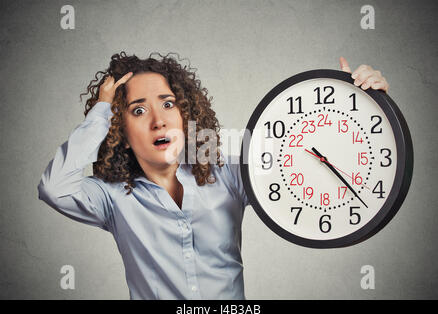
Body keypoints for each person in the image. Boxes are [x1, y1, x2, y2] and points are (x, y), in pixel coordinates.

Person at [37, 52, 389, 299]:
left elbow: (305, 166)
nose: (158, 120)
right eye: (138, 110)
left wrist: (359, 100)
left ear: (186, 113)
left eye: (168, 103)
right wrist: (101, 111)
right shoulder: (111, 198)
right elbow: (55, 188)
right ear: (119, 129)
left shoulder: (230, 174)